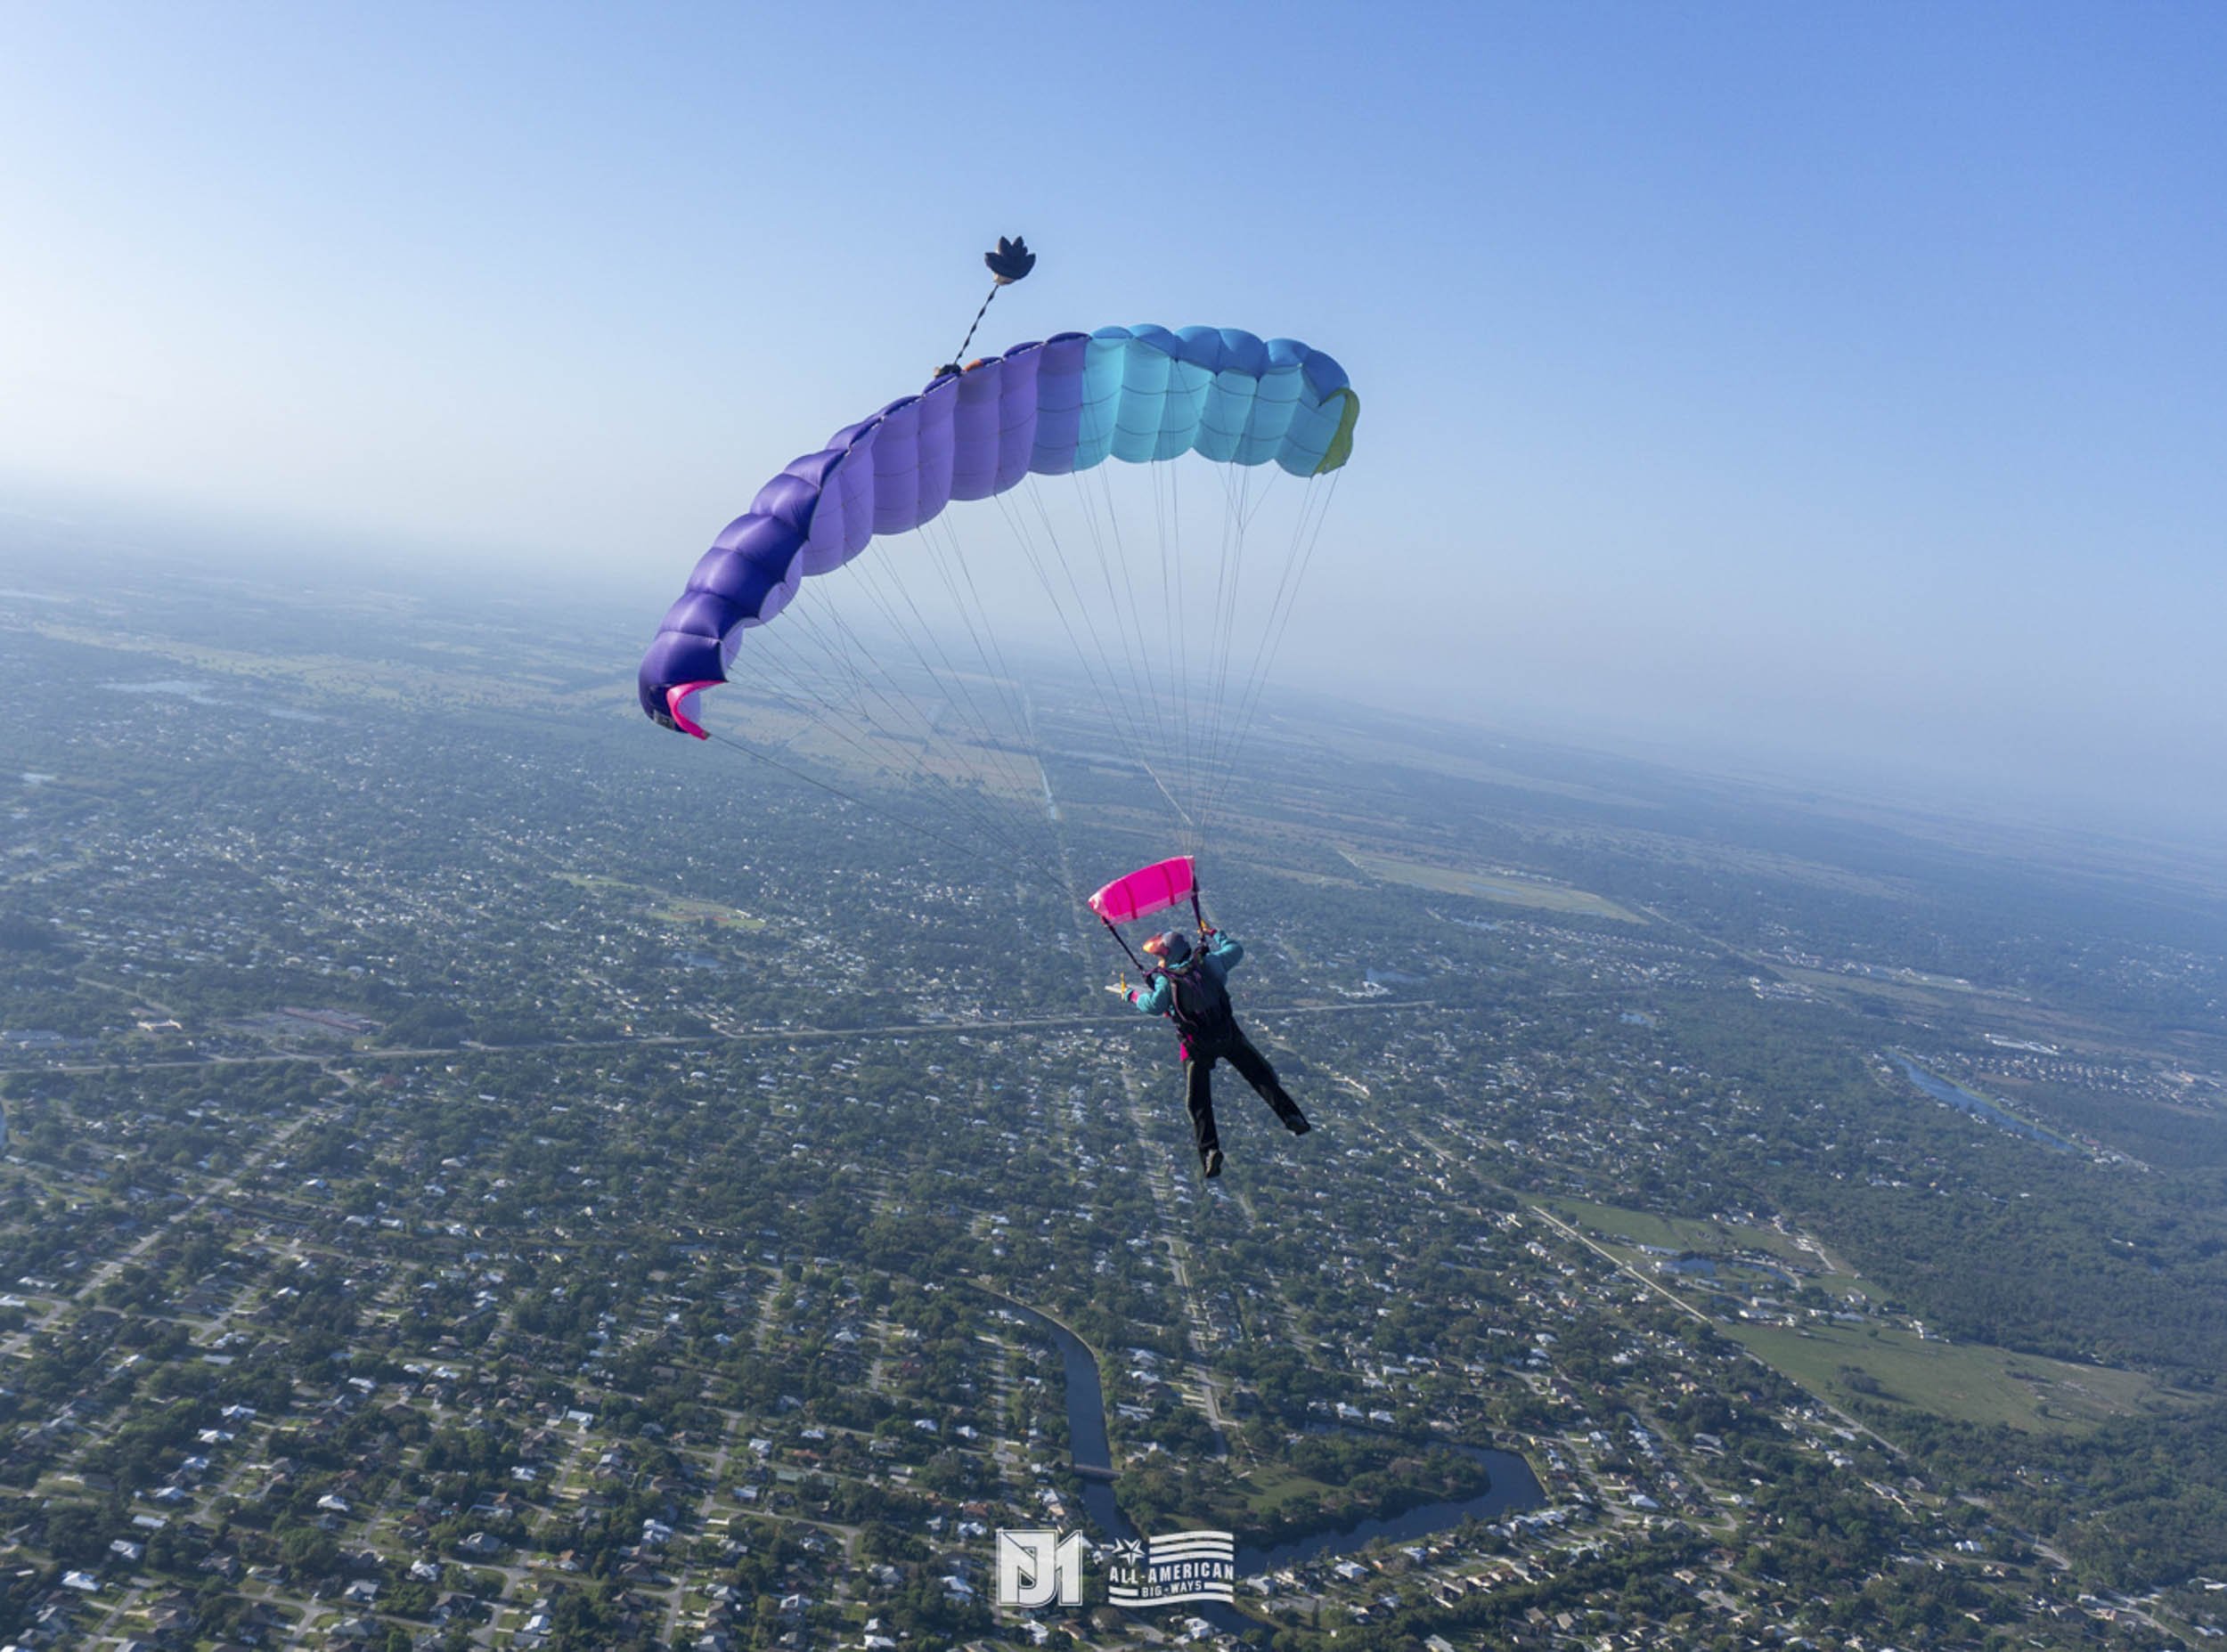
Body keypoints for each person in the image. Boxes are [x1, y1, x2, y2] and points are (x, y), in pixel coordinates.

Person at [1109, 928, 1309, 1178]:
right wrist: (1217, 934)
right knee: (1261, 1077)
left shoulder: (1165, 979)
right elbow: (1236, 950)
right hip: (1228, 1035)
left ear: (1169, 953)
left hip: (1196, 1046)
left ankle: (1210, 1151)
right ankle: (1292, 1117)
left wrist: (1130, 994)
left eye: (1161, 955)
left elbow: (1153, 1006)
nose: (1159, 960)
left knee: (1199, 1102)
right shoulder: (1209, 963)